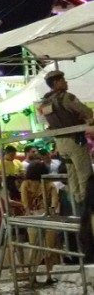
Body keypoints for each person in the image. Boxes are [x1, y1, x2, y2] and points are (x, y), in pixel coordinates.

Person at [40, 69, 94, 206]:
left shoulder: (45, 102)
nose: (66, 82)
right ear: (56, 82)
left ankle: (77, 201)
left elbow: (47, 122)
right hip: (74, 140)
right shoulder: (66, 97)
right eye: (63, 80)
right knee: (84, 172)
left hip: (60, 143)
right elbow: (86, 111)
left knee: (72, 173)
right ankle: (88, 204)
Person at [21, 161, 59, 284]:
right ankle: (49, 275)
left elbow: (25, 202)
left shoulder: (26, 184)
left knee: (34, 246)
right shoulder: (49, 184)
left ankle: (33, 275)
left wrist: (28, 211)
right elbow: (55, 200)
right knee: (50, 247)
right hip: (48, 216)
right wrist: (52, 210)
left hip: (32, 217)